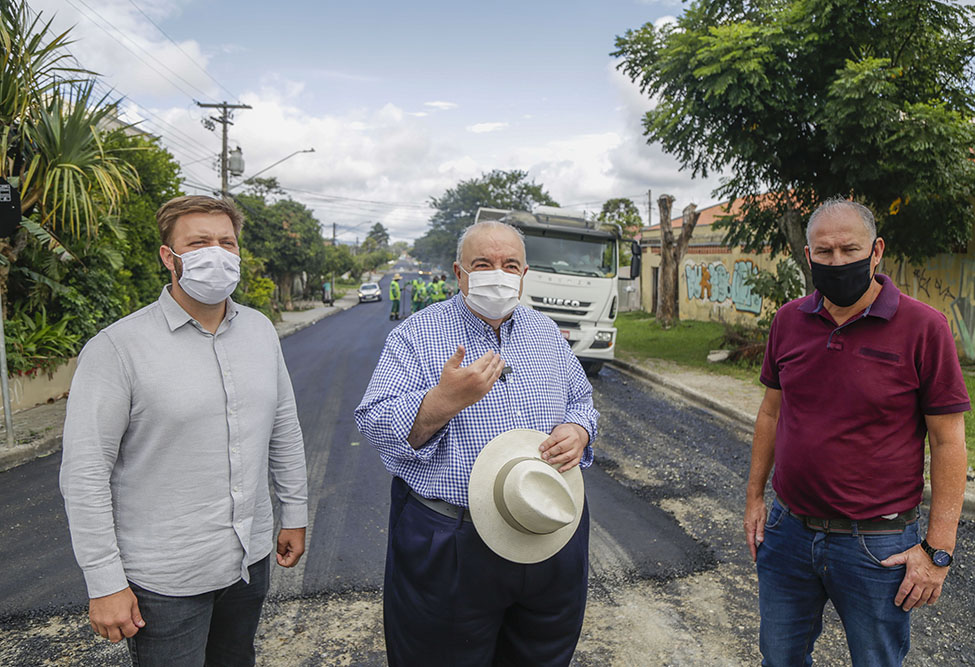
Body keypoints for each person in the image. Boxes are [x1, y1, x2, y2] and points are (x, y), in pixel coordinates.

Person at [60, 195, 309, 666]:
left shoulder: (259, 331)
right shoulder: (117, 349)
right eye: (199, 242)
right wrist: (105, 581)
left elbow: (284, 427)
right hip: (165, 578)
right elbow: (85, 473)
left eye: (226, 242)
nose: (216, 253)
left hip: (247, 561)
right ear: (168, 257)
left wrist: (294, 511)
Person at [355, 220, 598, 666]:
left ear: (525, 273)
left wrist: (579, 430)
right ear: (459, 272)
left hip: (549, 530)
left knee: (543, 655)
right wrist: (441, 402)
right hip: (453, 541)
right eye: (483, 264)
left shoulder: (546, 333)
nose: (498, 274)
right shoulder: (417, 335)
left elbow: (582, 399)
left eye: (510, 264)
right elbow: (375, 422)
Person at [743, 197, 969, 666]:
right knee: (778, 657)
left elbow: (949, 441)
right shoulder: (788, 321)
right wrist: (755, 498)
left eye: (850, 249)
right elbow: (770, 412)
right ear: (808, 257)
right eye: (824, 252)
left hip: (877, 544)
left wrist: (938, 550)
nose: (837, 261)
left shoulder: (924, 328)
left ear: (877, 250)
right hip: (788, 533)